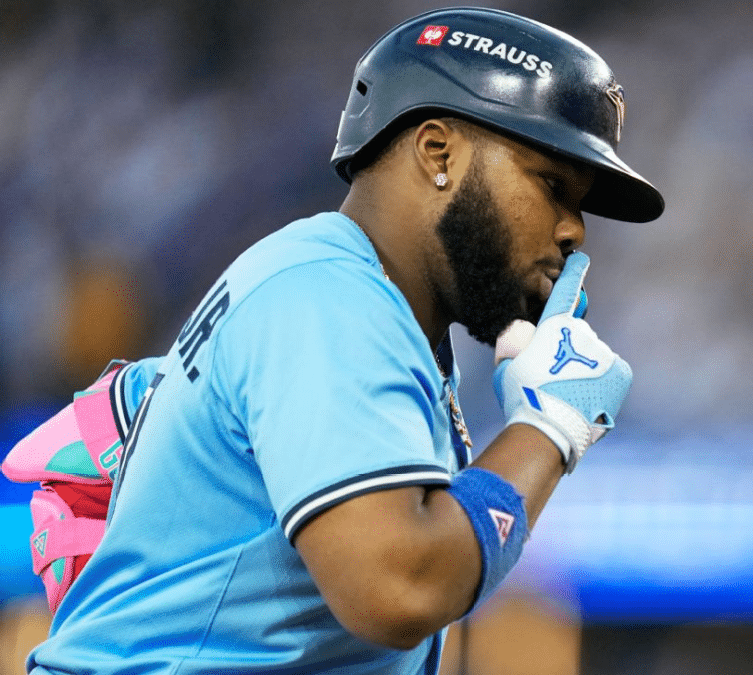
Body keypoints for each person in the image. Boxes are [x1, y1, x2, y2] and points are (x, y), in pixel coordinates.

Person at [2, 7, 663, 674]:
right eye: (552, 185)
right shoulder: (332, 297)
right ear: (438, 152)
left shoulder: (352, 301)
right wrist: (550, 426)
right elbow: (400, 586)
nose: (574, 230)